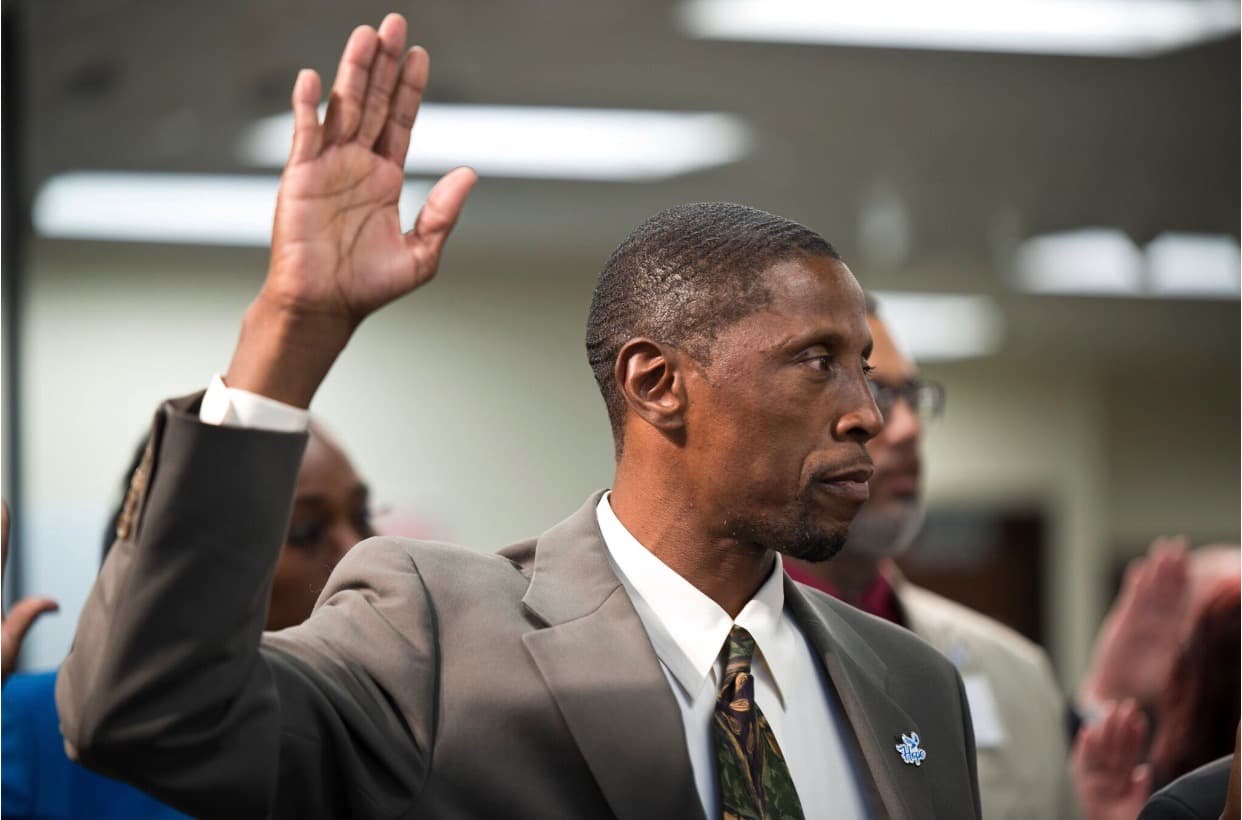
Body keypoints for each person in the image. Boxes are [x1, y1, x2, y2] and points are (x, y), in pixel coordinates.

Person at [56, 14, 982, 819]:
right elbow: (149, 715)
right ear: (656, 382)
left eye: (865, 370)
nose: (868, 415)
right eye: (819, 363)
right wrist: (288, 336)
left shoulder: (912, 684)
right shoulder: (438, 637)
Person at [785, 298, 1076, 819]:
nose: (908, 429)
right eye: (876, 392)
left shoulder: (1016, 676)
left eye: (912, 398)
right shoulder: (727, 661)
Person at [2, 423, 371, 819]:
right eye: (306, 530)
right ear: (175, 569)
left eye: (363, 515)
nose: (357, 551)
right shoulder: (29, 728)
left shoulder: (379, 738)